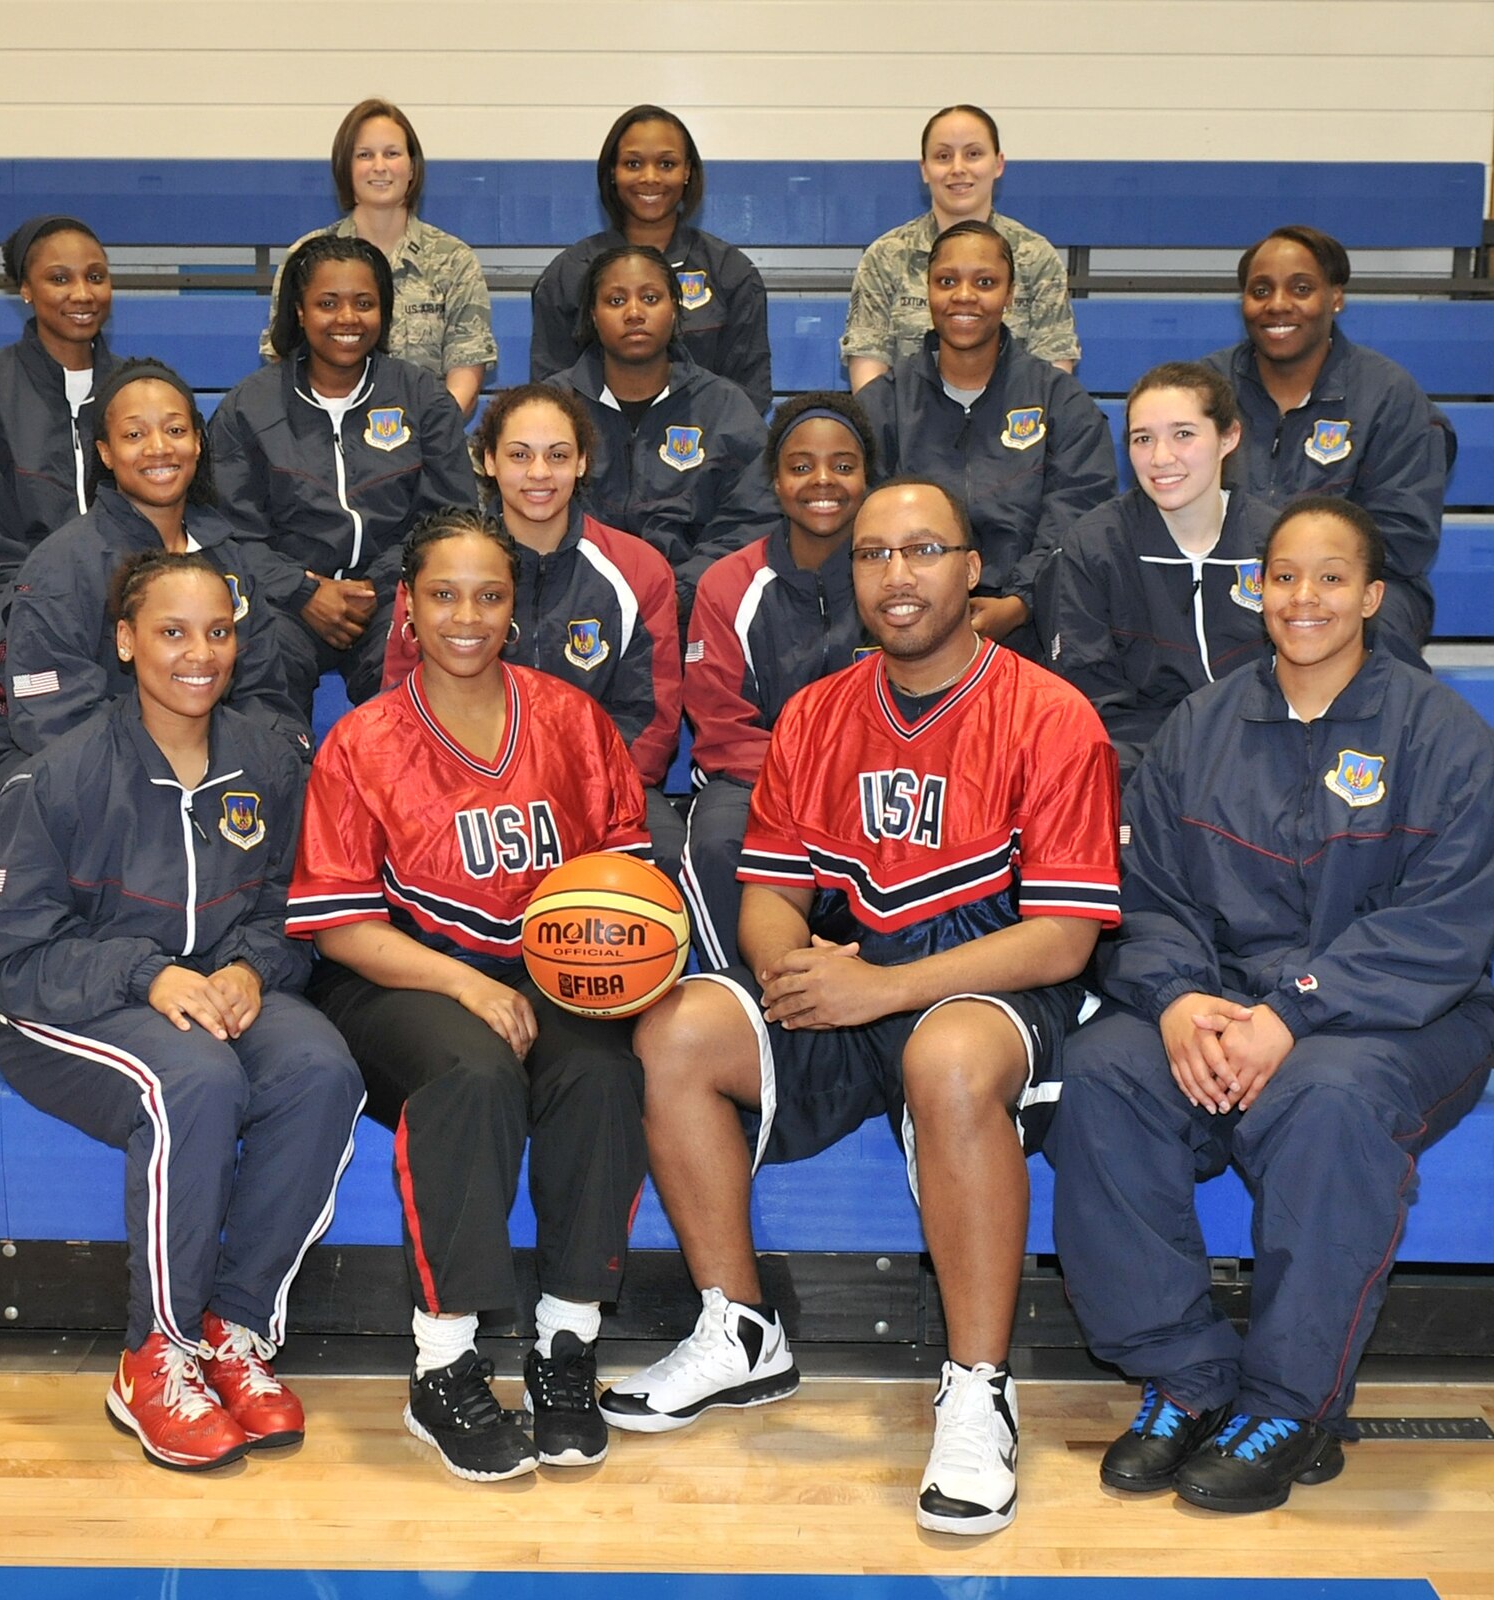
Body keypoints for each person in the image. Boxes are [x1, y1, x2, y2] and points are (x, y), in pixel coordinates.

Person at [601, 478, 1121, 1536]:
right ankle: (740, 1329)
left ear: (971, 570)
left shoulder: (1050, 714)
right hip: (850, 986)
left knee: (948, 1056)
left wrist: (874, 988)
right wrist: (791, 970)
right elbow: (770, 897)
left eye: (923, 549)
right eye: (874, 555)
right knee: (676, 1028)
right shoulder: (817, 713)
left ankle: (977, 1386)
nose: (897, 574)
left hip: (993, 990)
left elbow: (1063, 936)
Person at [1048, 497, 1494, 1514]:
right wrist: (1178, 1001)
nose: (1300, 597)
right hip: (1219, 999)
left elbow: (1438, 931)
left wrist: (1292, 1013)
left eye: (1326, 577)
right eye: (1280, 576)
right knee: (1105, 1073)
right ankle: (1183, 1373)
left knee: (1324, 1099)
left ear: (1369, 595)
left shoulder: (1446, 741)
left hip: (1396, 1019)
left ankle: (1287, 1402)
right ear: (1253, 589)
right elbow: (1148, 896)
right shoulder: (1202, 723)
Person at [289, 508, 652, 1482]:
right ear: (407, 606)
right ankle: (441, 1362)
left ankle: (564, 1344)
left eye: (488, 594)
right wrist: (463, 983)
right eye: (443, 594)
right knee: (472, 1071)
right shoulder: (362, 742)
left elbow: (621, 883)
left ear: (514, 605)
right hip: (395, 974)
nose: (466, 614)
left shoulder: (572, 722)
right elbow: (337, 926)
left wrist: (601, 977)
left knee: (604, 1068)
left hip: (543, 972)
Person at [0, 549, 365, 1472]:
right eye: (172, 632)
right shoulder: (59, 775)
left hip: (219, 990)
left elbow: (291, 911)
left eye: (219, 632)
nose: (200, 654)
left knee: (323, 1072)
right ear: (124, 641)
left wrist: (251, 968)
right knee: (189, 1082)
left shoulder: (270, 758)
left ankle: (232, 1330)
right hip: (70, 1004)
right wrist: (145, 974)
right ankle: (154, 1355)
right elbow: (20, 956)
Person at [379, 384, 684, 872]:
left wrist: (573, 792)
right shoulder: (437, 567)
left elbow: (651, 721)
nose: (539, 473)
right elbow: (400, 700)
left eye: (557, 455)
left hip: (598, 790)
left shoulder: (639, 570)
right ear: (489, 462)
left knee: (666, 850)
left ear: (582, 462)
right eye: (519, 455)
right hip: (459, 787)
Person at [0, 358, 307, 805]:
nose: (159, 448)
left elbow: (265, 695)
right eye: (134, 434)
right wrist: (170, 768)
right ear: (105, 453)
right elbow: (51, 718)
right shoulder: (62, 565)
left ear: (199, 443)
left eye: (176, 431)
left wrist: (244, 763)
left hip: (218, 777)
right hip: (109, 789)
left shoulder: (230, 557)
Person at [211, 234, 478, 716]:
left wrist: (374, 587)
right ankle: (283, 781)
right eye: (328, 303)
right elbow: (226, 532)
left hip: (394, 593)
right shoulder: (248, 407)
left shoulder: (423, 398)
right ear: (299, 311)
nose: (348, 319)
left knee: (416, 672)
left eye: (364, 303)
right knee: (261, 662)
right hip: (283, 599)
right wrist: (304, 589)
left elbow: (450, 519)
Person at [680, 391, 877, 970]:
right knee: (717, 844)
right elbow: (720, 727)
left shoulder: (893, 575)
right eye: (801, 466)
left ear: (868, 477)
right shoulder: (727, 585)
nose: (823, 481)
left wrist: (852, 784)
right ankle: (746, 997)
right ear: (775, 479)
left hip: (876, 781)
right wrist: (808, 783)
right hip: (753, 782)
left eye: (844, 465)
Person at [857, 221, 1116, 655]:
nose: (964, 296)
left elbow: (1077, 514)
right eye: (946, 281)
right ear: (928, 291)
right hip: (907, 623)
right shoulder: (883, 404)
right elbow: (867, 531)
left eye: (985, 282)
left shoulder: (1060, 401)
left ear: (1011, 295)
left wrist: (1019, 602)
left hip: (1030, 627)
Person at [0, 214, 115, 772]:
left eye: (96, 276)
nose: (82, 292)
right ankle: (22, 799)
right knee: (25, 652)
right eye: (60, 279)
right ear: (25, 291)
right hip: (9, 598)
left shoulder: (136, 392)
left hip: (130, 593)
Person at [1204, 225, 1453, 651]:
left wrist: (1299, 575)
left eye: (1301, 288)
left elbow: (1404, 537)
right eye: (1260, 290)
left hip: (1353, 587)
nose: (1278, 305)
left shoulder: (1389, 395)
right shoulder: (1206, 388)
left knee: (1369, 627)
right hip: (1225, 579)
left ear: (1336, 298)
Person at [1033, 361, 1282, 780]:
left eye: (1183, 434)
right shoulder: (1094, 546)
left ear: (1228, 437)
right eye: (1143, 439)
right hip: (1144, 769)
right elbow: (1091, 703)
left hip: (1266, 757)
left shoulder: (1277, 542)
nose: (1161, 458)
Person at [554, 244, 769, 616]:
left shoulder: (724, 407)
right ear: (593, 314)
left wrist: (679, 592)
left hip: (694, 613)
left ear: (674, 309)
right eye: (616, 300)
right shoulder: (552, 406)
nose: (634, 313)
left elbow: (752, 520)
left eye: (650, 298)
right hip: (572, 609)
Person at [261, 99, 495, 417]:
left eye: (392, 153)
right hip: (326, 443)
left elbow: (464, 380)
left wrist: (427, 438)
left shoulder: (453, 261)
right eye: (365, 155)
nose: (380, 166)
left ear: (412, 167)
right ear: (345, 167)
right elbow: (283, 363)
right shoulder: (306, 258)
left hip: (425, 448)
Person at [531, 105, 771, 412]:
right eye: (633, 163)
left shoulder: (731, 272)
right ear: (612, 173)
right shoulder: (569, 274)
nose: (650, 177)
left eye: (667, 164)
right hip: (595, 451)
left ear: (687, 172)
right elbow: (548, 400)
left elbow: (750, 396)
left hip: (702, 452)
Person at [843, 105, 1080, 392]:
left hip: (1011, 429)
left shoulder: (1036, 257)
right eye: (943, 156)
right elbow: (870, 381)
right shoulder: (886, 257)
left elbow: (1054, 380)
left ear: (998, 164)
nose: (958, 168)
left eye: (973, 154)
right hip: (909, 430)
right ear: (925, 169)